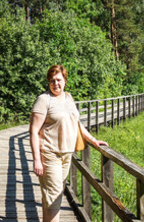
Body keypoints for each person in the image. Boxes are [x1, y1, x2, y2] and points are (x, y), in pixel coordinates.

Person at [29, 65, 107, 222]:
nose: (55, 83)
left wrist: (92, 140)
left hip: (66, 154)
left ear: (65, 81)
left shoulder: (68, 97)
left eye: (58, 80)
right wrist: (37, 159)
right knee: (54, 198)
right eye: (52, 80)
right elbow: (33, 131)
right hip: (50, 154)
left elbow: (77, 124)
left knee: (52, 197)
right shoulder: (43, 100)